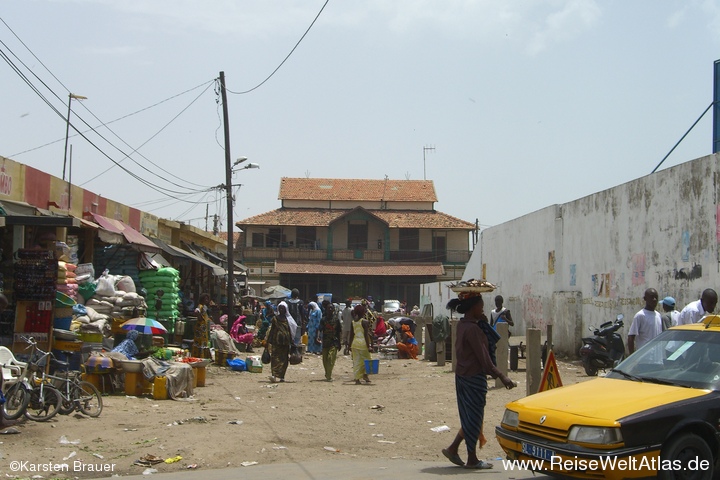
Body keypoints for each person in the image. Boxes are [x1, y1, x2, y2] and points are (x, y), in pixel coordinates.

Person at [442, 292, 516, 469]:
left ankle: (453, 448)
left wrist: (482, 321)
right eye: (480, 306)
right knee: (474, 418)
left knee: (470, 416)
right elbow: (484, 358)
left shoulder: (463, 325)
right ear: (473, 307)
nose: (482, 309)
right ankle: (472, 458)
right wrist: (502, 376)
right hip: (473, 377)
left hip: (462, 375)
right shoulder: (473, 330)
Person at [627, 288, 662, 354]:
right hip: (644, 359)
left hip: (657, 358)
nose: (654, 300)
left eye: (656, 297)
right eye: (652, 297)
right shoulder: (640, 315)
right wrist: (632, 358)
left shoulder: (658, 315)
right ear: (645, 299)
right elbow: (631, 337)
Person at [266, 302, 294, 383]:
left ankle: (282, 376)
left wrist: (292, 341)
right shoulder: (275, 319)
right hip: (276, 342)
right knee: (275, 358)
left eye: (283, 308)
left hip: (285, 342)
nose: (281, 310)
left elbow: (290, 330)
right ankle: (274, 374)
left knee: (284, 359)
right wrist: (268, 341)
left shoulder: (288, 319)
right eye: (280, 308)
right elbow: (272, 330)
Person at [318, 303, 342, 381]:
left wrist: (339, 343)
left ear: (334, 310)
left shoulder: (336, 320)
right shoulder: (323, 320)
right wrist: (317, 337)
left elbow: (338, 332)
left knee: (331, 358)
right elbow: (320, 329)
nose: (330, 310)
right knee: (325, 360)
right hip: (325, 342)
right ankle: (327, 372)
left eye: (331, 308)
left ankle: (329, 375)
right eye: (329, 308)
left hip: (334, 342)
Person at [351, 304, 372, 384]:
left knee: (356, 362)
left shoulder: (353, 322)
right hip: (363, 344)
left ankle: (357, 379)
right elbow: (366, 335)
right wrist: (369, 346)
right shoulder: (365, 322)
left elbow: (351, 335)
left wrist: (349, 346)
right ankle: (365, 375)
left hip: (355, 344)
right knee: (367, 360)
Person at [192, 293, 213, 359]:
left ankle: (203, 356)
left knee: (204, 341)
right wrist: (200, 317)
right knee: (200, 341)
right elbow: (196, 311)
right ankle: (199, 355)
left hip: (204, 327)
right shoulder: (200, 306)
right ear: (202, 299)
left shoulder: (205, 306)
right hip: (200, 327)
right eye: (205, 299)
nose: (206, 300)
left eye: (207, 299)